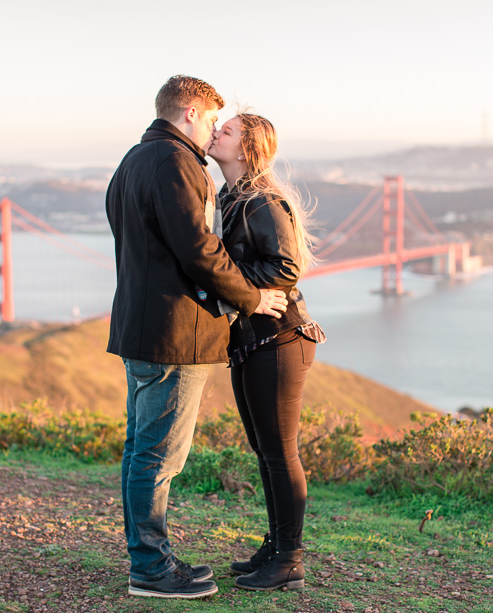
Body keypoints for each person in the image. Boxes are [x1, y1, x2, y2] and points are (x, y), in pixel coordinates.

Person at [105, 76, 289, 599]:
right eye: (211, 119)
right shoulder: (177, 162)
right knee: (160, 457)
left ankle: (151, 558)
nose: (211, 131)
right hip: (176, 333)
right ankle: (151, 570)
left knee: (141, 451)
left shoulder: (133, 160)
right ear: (189, 111)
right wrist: (252, 298)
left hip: (140, 328)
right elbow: (199, 250)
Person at [207, 112, 326, 591]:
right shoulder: (232, 198)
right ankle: (276, 546)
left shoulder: (261, 202)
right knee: (265, 450)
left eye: (227, 131)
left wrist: (228, 290)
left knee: (280, 452)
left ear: (248, 149)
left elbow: (286, 269)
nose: (217, 132)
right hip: (254, 341)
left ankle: (290, 559)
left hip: (280, 340)